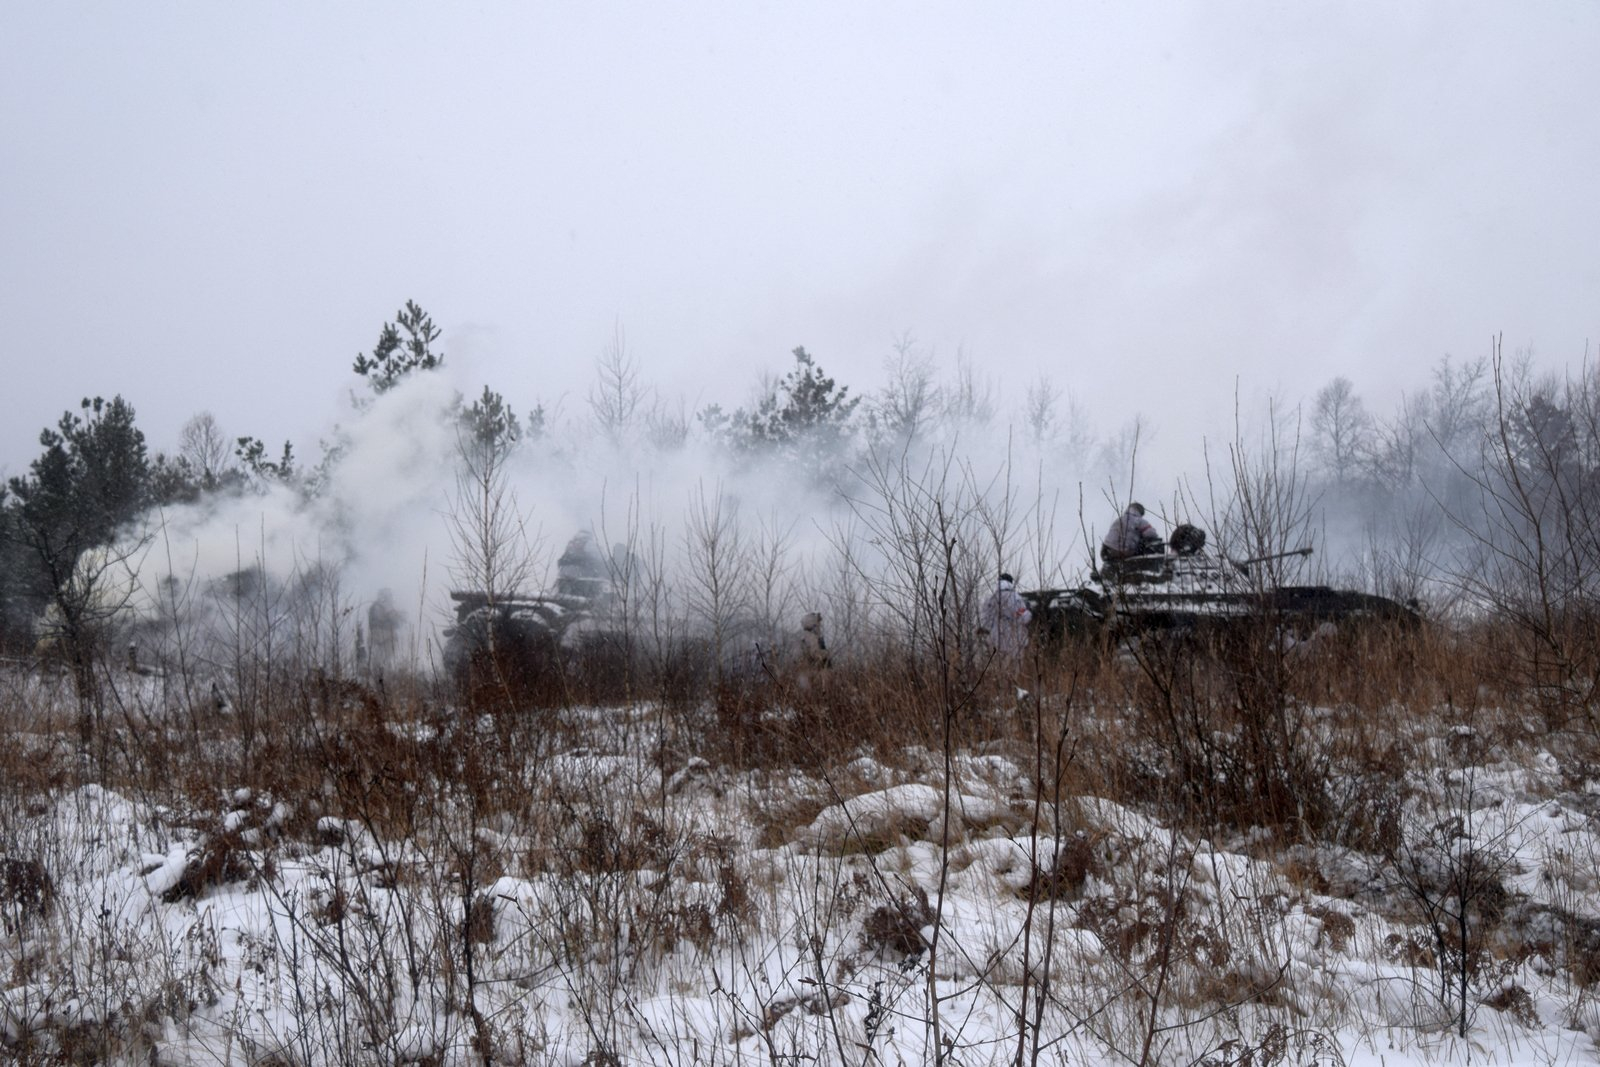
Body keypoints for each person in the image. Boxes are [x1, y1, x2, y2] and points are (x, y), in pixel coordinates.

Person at [978, 572, 1033, 658]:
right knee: (1014, 669)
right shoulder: (1016, 598)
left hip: (995, 641)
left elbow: (985, 620)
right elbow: (1024, 618)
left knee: (997, 667)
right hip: (1014, 642)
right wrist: (1029, 612)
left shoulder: (990, 598)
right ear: (1011, 582)